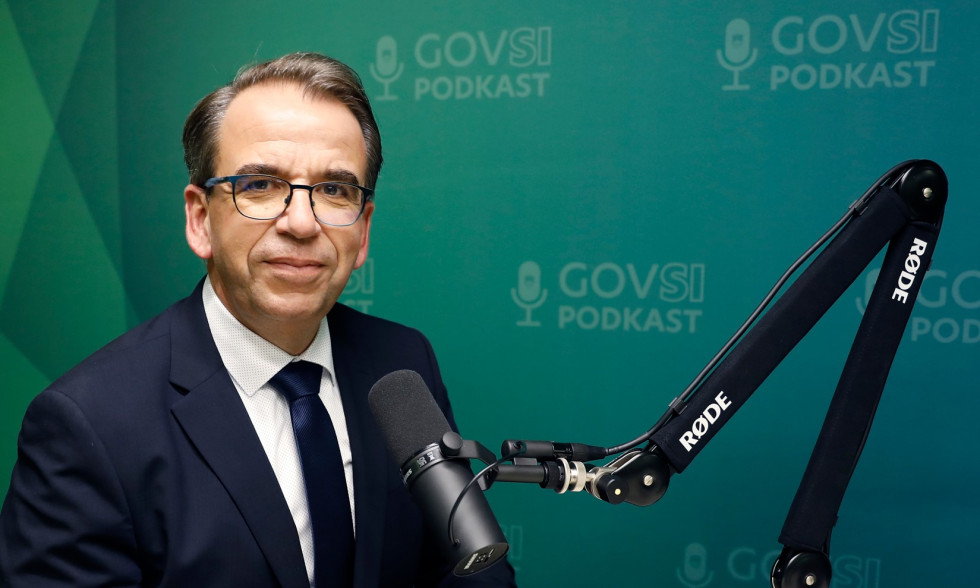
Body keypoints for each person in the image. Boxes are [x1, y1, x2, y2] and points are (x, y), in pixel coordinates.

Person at [0, 52, 516, 587]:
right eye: (260, 185)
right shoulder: (90, 423)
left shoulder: (401, 366)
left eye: (334, 190)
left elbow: (473, 573)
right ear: (201, 220)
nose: (300, 222)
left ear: (362, 233)